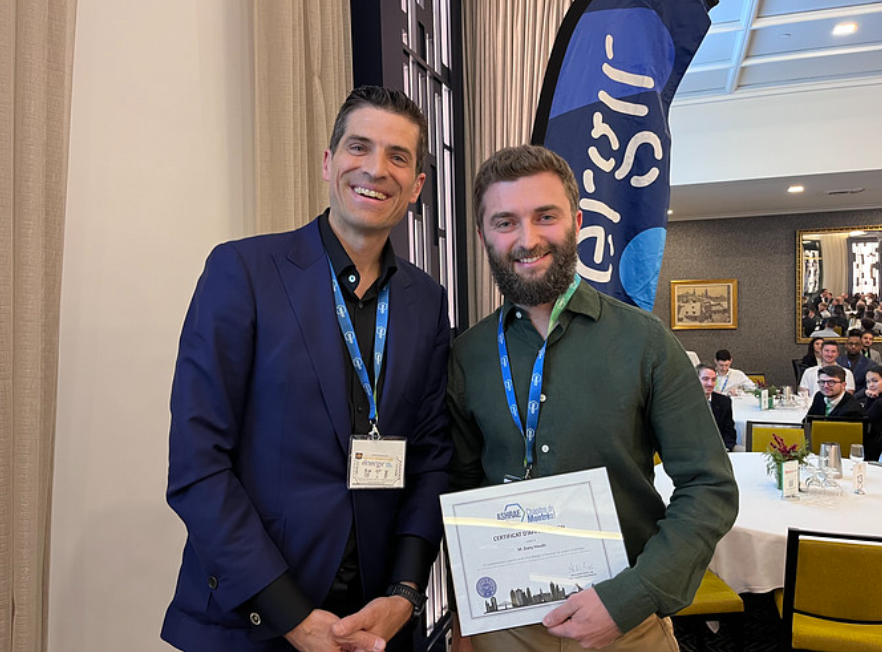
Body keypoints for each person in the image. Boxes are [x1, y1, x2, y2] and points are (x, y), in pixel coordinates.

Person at [161, 87, 453, 652]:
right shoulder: (243, 271)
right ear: (327, 162)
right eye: (358, 147)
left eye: (397, 156)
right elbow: (198, 463)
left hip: (372, 627)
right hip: (252, 622)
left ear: (417, 185)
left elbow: (430, 457)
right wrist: (290, 616)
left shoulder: (426, 302)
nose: (375, 169)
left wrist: (404, 591)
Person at [447, 145, 737, 651]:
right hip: (503, 628)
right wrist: (462, 617)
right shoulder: (468, 355)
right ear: (483, 235)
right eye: (505, 222)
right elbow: (460, 491)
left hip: (625, 627)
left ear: (577, 222)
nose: (527, 239)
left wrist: (632, 597)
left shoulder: (646, 342)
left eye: (546, 216)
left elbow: (709, 487)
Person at [696, 363, 737, 451]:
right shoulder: (684, 403)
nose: (710, 384)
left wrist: (726, 448)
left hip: (720, 449)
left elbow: (729, 431)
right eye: (705, 379)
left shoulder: (724, 402)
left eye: (713, 380)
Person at [859, 365, 882, 462]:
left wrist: (869, 398)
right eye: (868, 382)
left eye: (875, 381)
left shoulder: (879, 402)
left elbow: (865, 418)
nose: (871, 385)